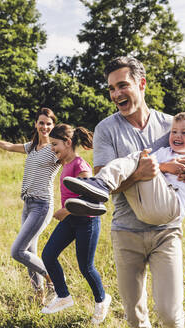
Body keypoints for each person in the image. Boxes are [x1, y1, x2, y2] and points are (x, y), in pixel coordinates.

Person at [73, 56, 185, 328]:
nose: (116, 93)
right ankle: (97, 188)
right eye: (111, 89)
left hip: (166, 231)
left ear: (141, 84)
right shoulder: (106, 129)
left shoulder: (173, 126)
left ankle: (97, 188)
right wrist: (140, 174)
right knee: (135, 316)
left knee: (169, 313)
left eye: (122, 85)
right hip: (126, 231)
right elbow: (121, 184)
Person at [63, 112, 185, 227]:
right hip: (144, 211)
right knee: (137, 158)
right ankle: (96, 194)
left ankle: (100, 185)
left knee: (138, 157)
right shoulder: (165, 152)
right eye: (174, 131)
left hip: (171, 207)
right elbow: (143, 169)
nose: (177, 136)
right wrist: (165, 167)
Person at [0, 107, 60, 303]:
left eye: (48, 124)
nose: (44, 127)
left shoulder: (55, 149)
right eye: (41, 123)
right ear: (36, 124)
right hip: (28, 205)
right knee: (29, 253)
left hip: (42, 205)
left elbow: (72, 161)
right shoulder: (31, 147)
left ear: (53, 126)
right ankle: (39, 295)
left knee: (18, 251)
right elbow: (8, 146)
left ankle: (55, 280)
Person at [40, 124, 112, 325]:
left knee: (86, 266)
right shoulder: (65, 163)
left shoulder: (81, 166)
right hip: (71, 221)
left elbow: (92, 198)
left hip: (86, 221)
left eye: (55, 144)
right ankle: (63, 296)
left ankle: (102, 300)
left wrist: (66, 210)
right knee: (48, 255)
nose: (52, 148)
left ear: (68, 143)